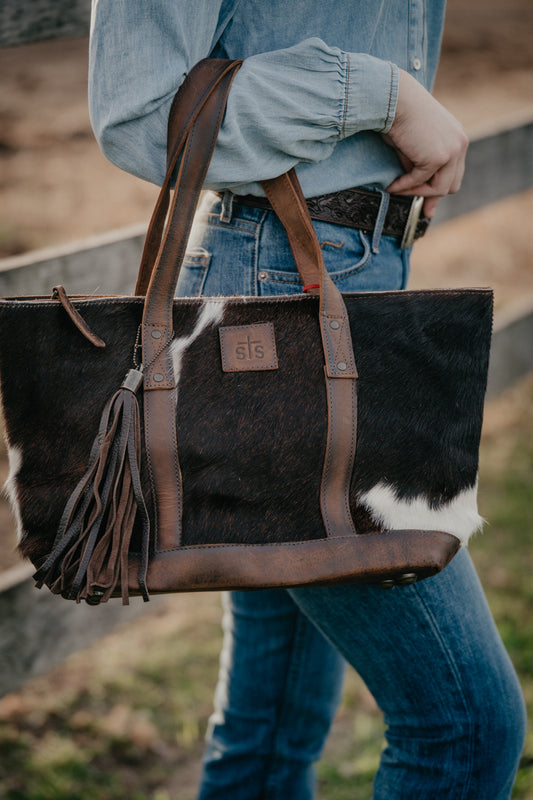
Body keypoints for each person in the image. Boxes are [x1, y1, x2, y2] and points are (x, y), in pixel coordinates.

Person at [88, 2, 526, 797]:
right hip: (278, 291)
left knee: (271, 732)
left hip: (341, 276)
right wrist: (385, 96)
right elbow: (138, 107)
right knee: (465, 726)